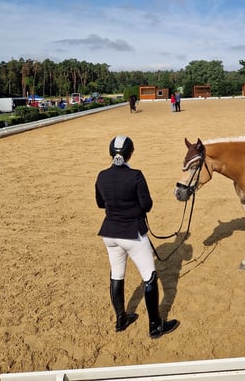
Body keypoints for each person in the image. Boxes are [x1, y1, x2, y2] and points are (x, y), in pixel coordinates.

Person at [95, 135, 180, 338]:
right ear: (130, 153)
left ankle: (121, 318)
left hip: (109, 233)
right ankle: (155, 326)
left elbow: (100, 203)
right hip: (132, 233)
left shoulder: (101, 175)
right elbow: (147, 205)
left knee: (117, 274)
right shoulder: (136, 175)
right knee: (149, 277)